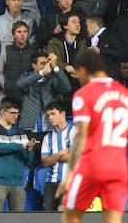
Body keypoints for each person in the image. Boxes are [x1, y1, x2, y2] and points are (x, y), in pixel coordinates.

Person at [57, 51, 128, 223]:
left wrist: (70, 174)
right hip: (118, 167)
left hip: (91, 167)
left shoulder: (84, 94)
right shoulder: (124, 93)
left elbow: (81, 136)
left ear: (83, 70)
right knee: (113, 220)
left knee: (71, 216)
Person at [0, 97, 36, 211]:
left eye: (18, 113)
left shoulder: (21, 132)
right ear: (3, 112)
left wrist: (29, 150)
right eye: (13, 113)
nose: (16, 116)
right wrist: (20, 146)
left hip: (18, 183)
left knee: (18, 218)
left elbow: (27, 161)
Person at [16, 52, 71, 131]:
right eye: (42, 63)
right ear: (34, 65)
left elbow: (67, 88)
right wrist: (41, 74)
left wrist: (55, 67)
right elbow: (19, 85)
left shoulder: (53, 78)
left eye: (48, 63)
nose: (46, 66)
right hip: (29, 126)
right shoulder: (27, 77)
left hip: (50, 127)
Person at [38, 100, 76, 211]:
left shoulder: (74, 132)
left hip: (69, 182)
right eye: (48, 115)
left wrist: (53, 157)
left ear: (63, 114)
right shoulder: (47, 137)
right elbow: (45, 162)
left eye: (53, 114)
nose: (50, 118)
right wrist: (62, 152)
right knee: (48, 216)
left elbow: (74, 158)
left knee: (63, 213)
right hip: (50, 183)